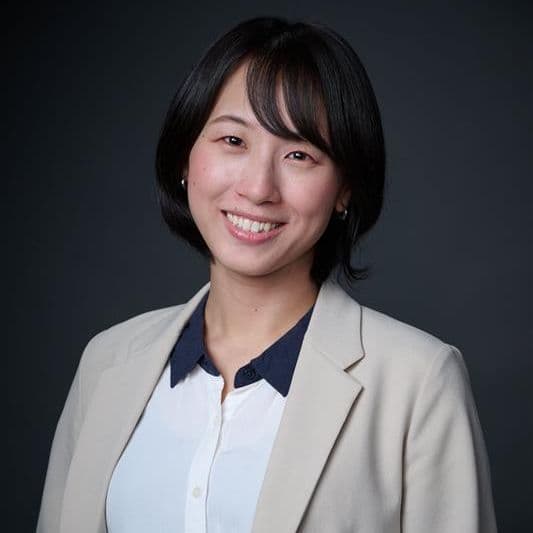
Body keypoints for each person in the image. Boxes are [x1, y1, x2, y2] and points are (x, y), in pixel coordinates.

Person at [37, 16, 497, 533]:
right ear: (186, 155)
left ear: (344, 189)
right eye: (234, 140)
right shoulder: (106, 363)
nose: (258, 188)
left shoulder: (419, 382)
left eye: (299, 154)